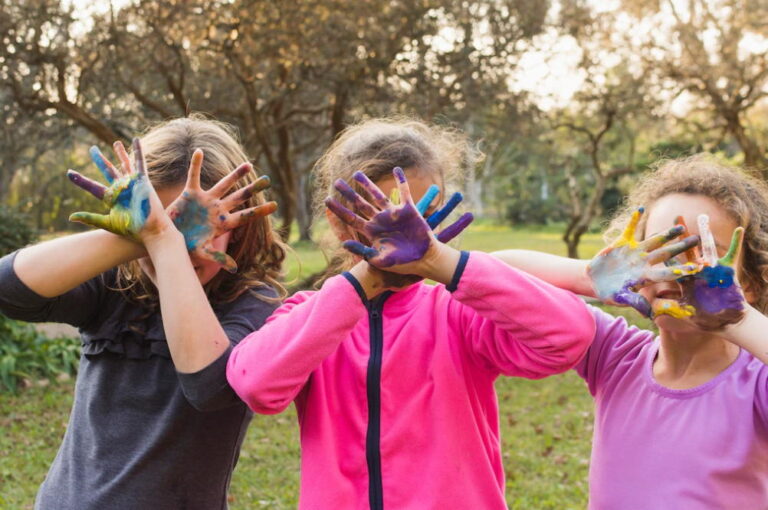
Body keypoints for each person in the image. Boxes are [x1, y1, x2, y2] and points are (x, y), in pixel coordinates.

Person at [225, 118, 597, 509]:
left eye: (423, 216)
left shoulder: (458, 314)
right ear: (337, 222)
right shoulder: (311, 318)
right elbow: (255, 385)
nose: (408, 234)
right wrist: (365, 278)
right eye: (383, 214)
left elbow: (571, 334)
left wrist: (445, 262)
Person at [0, 116, 286, 510]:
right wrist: (145, 236)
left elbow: (209, 386)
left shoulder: (256, 303)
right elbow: (9, 290)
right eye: (166, 221)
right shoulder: (115, 286)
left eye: (201, 226)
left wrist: (162, 242)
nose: (182, 246)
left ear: (240, 224)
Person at [493, 155, 768, 509]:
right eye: (660, 248)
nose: (675, 271)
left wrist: (739, 319)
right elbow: (493, 273)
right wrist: (587, 277)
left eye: (703, 253)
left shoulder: (756, 383)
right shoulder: (614, 353)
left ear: (751, 282)